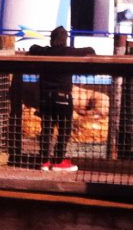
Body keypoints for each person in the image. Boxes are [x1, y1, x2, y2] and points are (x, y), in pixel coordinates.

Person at [27, 26, 95, 171]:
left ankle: (44, 160)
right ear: (65, 40)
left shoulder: (45, 52)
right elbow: (89, 50)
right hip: (63, 97)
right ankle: (58, 161)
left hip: (45, 97)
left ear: (52, 39)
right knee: (64, 130)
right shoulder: (69, 52)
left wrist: (45, 48)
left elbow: (33, 47)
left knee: (47, 129)